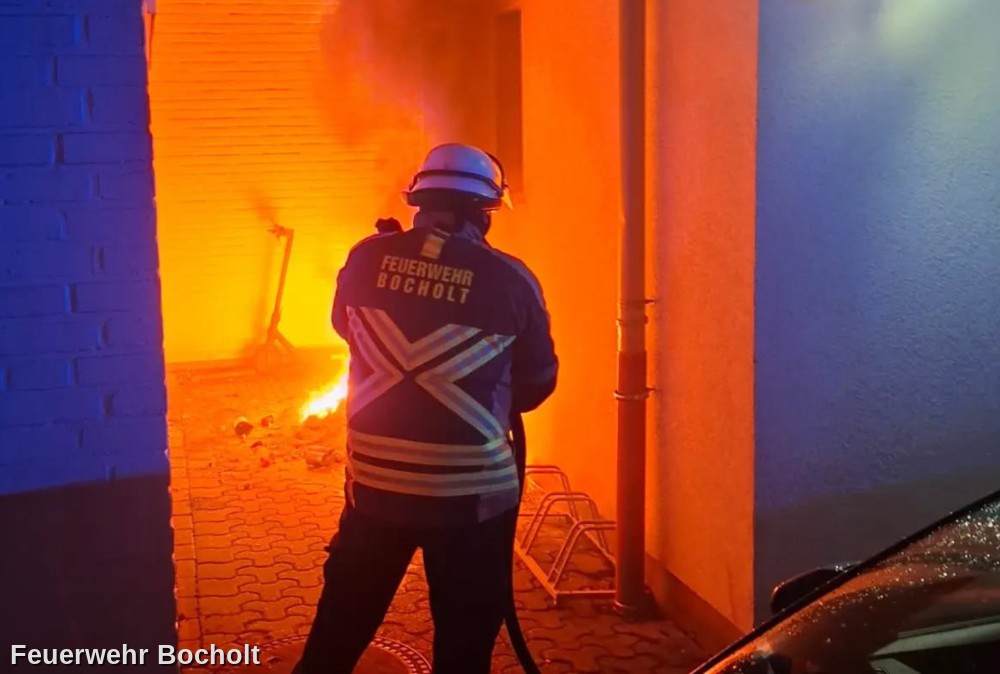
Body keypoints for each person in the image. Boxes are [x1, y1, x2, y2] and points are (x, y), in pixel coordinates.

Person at [293, 143, 559, 674]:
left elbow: (344, 329)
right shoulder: (511, 278)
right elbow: (538, 383)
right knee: (463, 643)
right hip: (473, 501)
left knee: (340, 625)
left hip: (374, 490)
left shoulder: (366, 256)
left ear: (418, 201)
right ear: (483, 212)